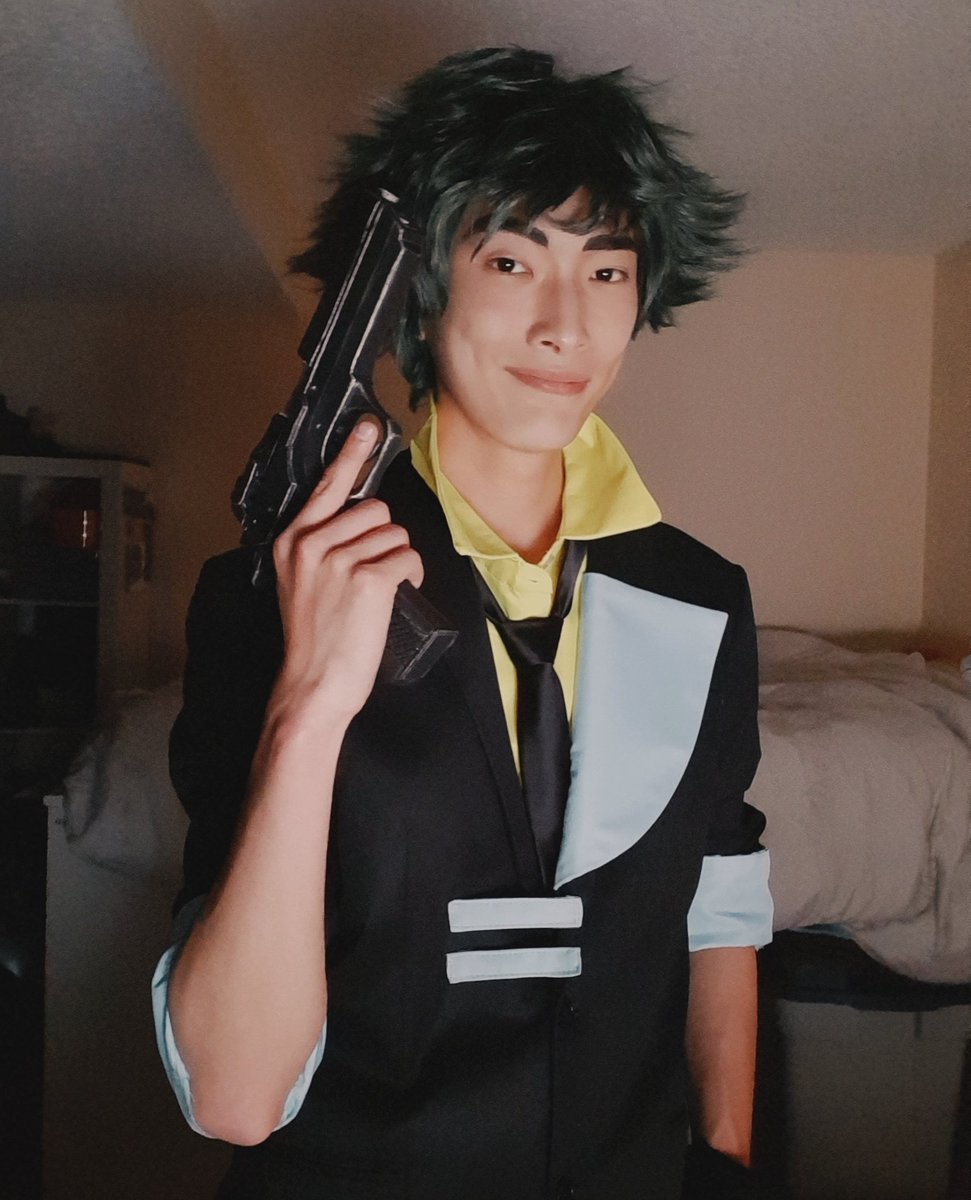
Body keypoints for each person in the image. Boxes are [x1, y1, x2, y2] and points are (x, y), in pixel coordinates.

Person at [152, 46, 772, 1200]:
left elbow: (717, 893)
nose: (564, 325)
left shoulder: (704, 597)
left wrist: (724, 1160)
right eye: (510, 260)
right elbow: (232, 1097)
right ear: (424, 293)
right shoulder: (273, 589)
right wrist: (307, 708)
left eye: (605, 269)